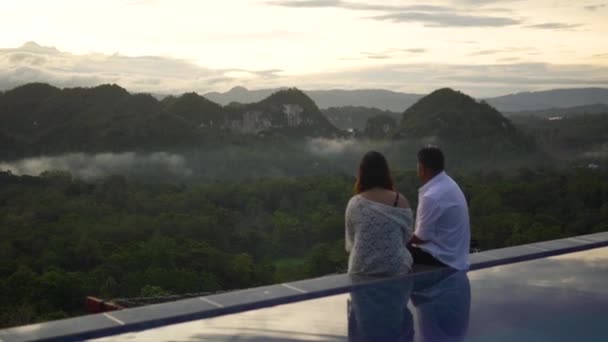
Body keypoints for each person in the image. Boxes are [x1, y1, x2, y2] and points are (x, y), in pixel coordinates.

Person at [345, 151, 413, 276]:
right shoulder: (399, 200)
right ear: (386, 172)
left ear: (362, 173)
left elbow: (351, 240)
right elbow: (407, 237)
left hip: (360, 270)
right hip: (394, 268)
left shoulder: (354, 203)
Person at [408, 146, 470, 270]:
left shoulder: (432, 196)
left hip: (442, 259)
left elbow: (422, 238)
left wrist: (396, 237)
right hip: (457, 255)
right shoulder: (449, 184)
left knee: (393, 251)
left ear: (422, 169)